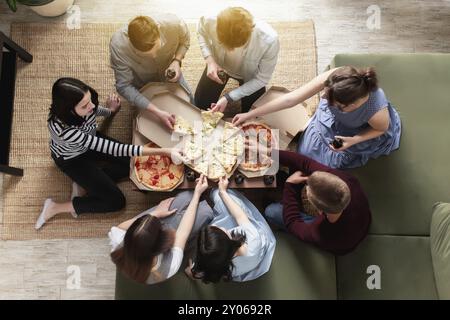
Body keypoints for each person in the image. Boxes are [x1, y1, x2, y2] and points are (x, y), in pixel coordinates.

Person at [36, 77, 184, 230]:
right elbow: (113, 148)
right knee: (116, 201)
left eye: (90, 100)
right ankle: (54, 207)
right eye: (85, 105)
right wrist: (165, 151)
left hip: (89, 141)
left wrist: (110, 111)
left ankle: (86, 184)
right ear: (69, 110)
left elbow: (93, 111)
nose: (92, 106)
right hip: (72, 160)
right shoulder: (64, 131)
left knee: (134, 165)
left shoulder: (85, 107)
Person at [233, 66, 402, 169]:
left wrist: (354, 140)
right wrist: (250, 114)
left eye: (329, 100)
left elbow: (381, 129)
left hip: (358, 133)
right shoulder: (339, 78)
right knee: (304, 150)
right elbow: (292, 99)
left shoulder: (375, 111)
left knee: (314, 161)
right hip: (336, 120)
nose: (322, 98)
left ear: (349, 106)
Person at [264, 150, 371, 255]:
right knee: (300, 167)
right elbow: (306, 163)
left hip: (342, 243)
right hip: (361, 218)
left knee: (271, 212)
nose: (307, 183)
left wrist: (290, 185)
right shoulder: (345, 181)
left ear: (319, 211)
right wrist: (269, 152)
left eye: (307, 190)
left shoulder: (320, 233)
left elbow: (292, 223)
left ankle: (288, 191)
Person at [109, 176, 212, 284]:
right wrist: (196, 195)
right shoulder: (170, 265)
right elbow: (182, 233)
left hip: (152, 238)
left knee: (184, 197)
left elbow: (119, 227)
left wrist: (156, 213)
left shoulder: (117, 243)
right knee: (206, 212)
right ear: (163, 243)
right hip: (168, 241)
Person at [110, 14, 192, 130]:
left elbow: (185, 41)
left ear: (158, 28)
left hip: (170, 71)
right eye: (144, 56)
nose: (154, 56)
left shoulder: (174, 24)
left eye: (158, 49)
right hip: (142, 83)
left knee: (190, 104)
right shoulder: (118, 46)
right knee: (150, 128)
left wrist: (176, 61)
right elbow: (124, 86)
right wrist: (157, 111)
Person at [187, 176, 276, 283]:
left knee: (220, 200)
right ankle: (216, 193)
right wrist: (222, 192)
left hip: (239, 266)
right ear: (229, 242)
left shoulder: (211, 265)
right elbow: (240, 216)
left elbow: (192, 272)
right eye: (222, 231)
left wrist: (191, 270)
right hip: (253, 255)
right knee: (218, 195)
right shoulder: (253, 240)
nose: (223, 228)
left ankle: (215, 194)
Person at [195, 7, 279, 113]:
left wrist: (229, 97)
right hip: (218, 65)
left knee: (254, 115)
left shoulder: (269, 41)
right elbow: (200, 32)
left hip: (251, 75)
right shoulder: (210, 19)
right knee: (198, 107)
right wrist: (210, 60)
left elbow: (262, 79)